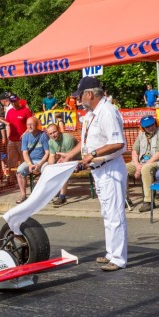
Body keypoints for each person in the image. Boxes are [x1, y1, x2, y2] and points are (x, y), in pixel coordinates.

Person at [60, 76, 128, 272]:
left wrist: (93, 154)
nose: (78, 100)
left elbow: (118, 142)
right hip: (99, 169)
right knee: (107, 213)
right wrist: (70, 156)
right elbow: (87, 142)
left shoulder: (107, 112)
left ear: (89, 94)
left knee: (115, 214)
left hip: (110, 168)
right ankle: (111, 252)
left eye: (79, 96)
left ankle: (118, 258)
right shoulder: (91, 114)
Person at [125, 116, 159, 213]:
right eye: (147, 126)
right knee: (123, 169)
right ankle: (125, 199)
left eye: (152, 125)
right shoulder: (141, 133)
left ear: (155, 123)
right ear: (143, 128)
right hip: (142, 162)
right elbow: (135, 151)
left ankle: (149, 201)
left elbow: (158, 155)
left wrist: (141, 168)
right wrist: (136, 165)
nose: (150, 127)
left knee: (146, 169)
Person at [15, 116, 49, 204]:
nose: (29, 126)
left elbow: (47, 153)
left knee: (46, 170)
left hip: (42, 160)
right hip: (30, 161)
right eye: (28, 124)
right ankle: (23, 195)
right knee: (19, 171)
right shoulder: (25, 137)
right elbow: (25, 153)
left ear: (36, 125)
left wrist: (40, 164)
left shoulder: (43, 135)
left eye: (31, 124)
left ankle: (44, 194)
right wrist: (30, 164)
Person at [46, 123, 79, 207]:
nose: (53, 135)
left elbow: (69, 157)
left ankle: (62, 196)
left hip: (77, 161)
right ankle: (51, 192)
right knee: (47, 170)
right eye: (50, 134)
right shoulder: (50, 141)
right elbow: (52, 156)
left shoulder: (68, 139)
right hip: (63, 160)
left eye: (54, 132)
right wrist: (50, 168)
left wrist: (57, 165)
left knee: (62, 171)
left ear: (59, 130)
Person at [5, 93, 32, 185]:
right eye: (12, 102)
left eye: (15, 101)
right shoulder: (9, 112)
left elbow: (30, 125)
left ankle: (25, 180)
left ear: (18, 100)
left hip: (23, 141)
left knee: (24, 160)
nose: (13, 103)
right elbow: (8, 125)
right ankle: (11, 180)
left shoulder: (26, 111)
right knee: (11, 161)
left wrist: (25, 134)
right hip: (12, 140)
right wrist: (8, 137)